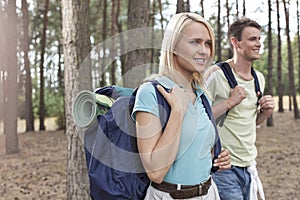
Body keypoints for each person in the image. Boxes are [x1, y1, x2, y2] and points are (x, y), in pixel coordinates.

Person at [131, 13, 231, 200]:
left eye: (207, 43)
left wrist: (217, 158)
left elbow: (195, 151)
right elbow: (156, 172)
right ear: (174, 47)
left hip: (209, 193)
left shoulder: (202, 96)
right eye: (195, 42)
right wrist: (177, 111)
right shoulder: (150, 93)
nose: (204, 50)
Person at [204, 17, 275, 200]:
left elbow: (250, 121)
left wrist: (265, 113)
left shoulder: (259, 78)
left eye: (259, 39)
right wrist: (229, 102)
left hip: (249, 165)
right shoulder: (215, 74)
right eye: (252, 39)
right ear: (235, 42)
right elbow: (197, 116)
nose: (258, 44)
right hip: (223, 167)